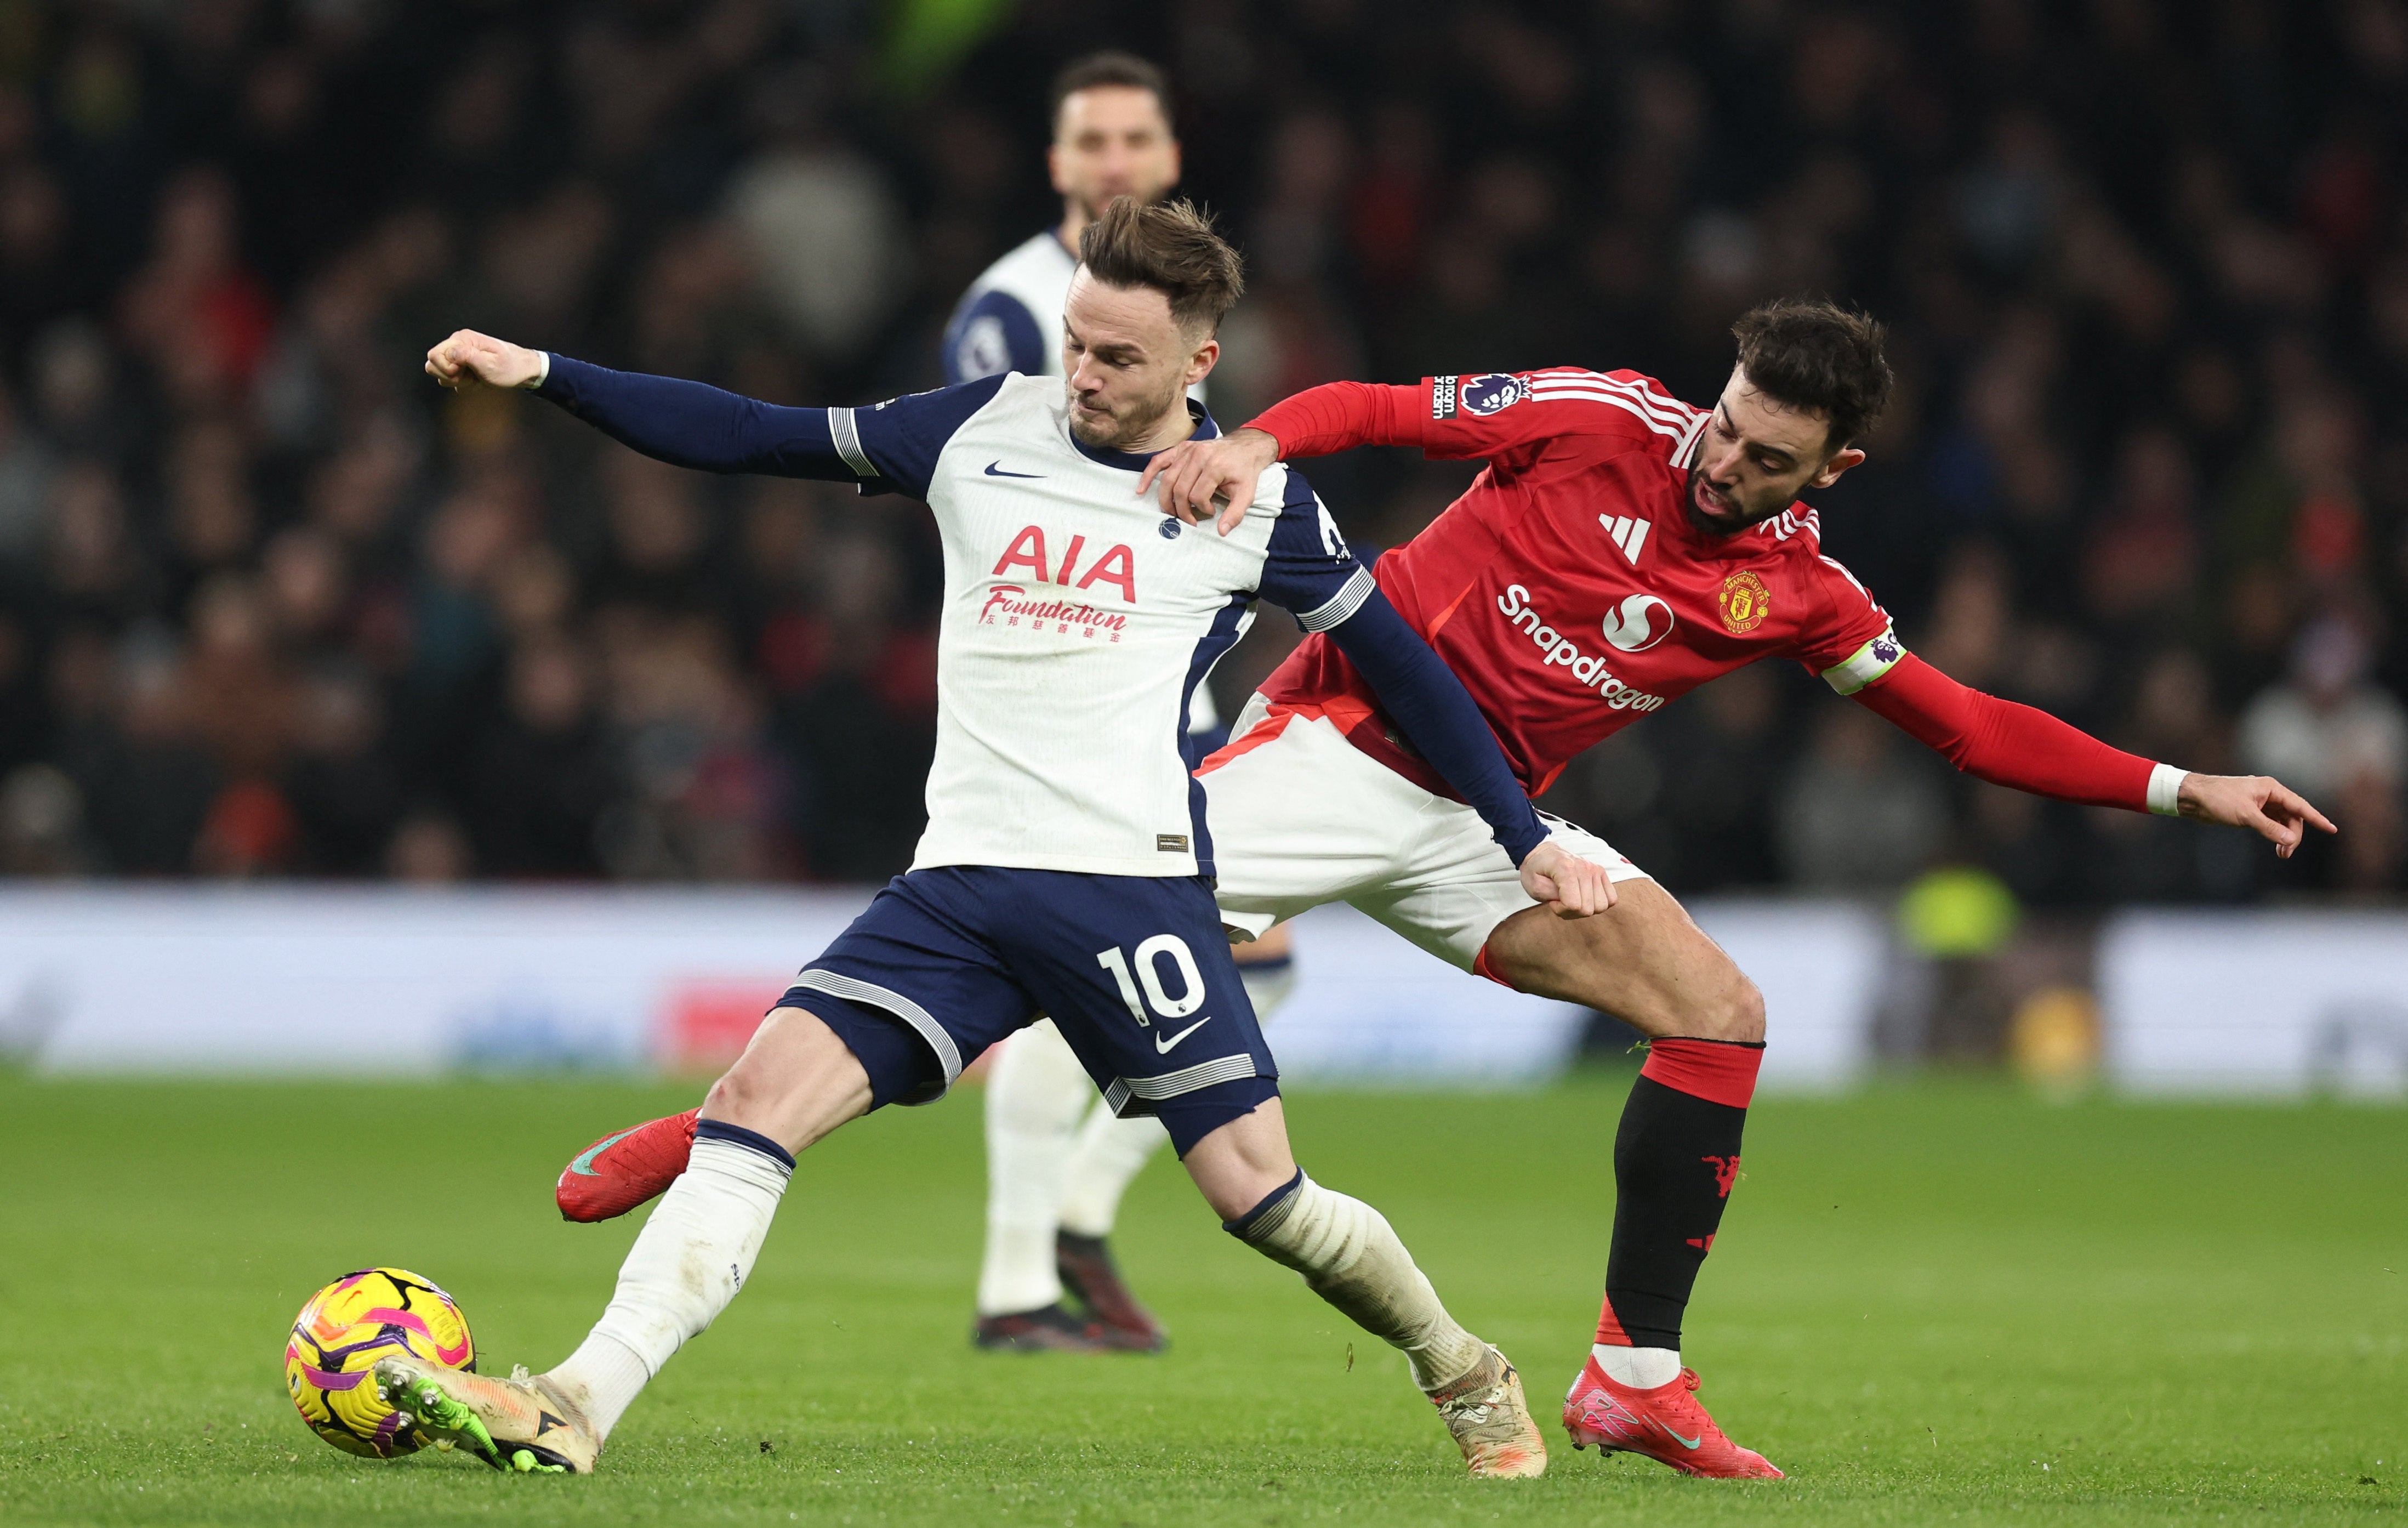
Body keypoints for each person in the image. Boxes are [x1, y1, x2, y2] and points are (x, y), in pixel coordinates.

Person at [558, 299, 2333, 1480]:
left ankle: (1633, 1377)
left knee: (1719, 1013)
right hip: (1330, 743)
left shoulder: (1798, 589)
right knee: (1040, 931)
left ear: (1829, 472)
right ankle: (713, 1125)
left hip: (1487, 826)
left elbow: (1962, 722)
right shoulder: (1594, 417)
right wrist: (1256, 447)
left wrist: (2177, 783)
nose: (1722, 462)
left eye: (1765, 458)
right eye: (1725, 426)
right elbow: (1374, 406)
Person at [374, 196, 1616, 1479]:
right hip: (956, 889)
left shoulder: (1254, 504)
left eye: (1119, 356)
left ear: (1200, 362)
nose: (1084, 372)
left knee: (1262, 1198)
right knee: (753, 1104)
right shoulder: (980, 426)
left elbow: (1407, 675)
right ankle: (576, 1400)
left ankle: (1461, 1365)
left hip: (1128, 894)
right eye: (1076, 340)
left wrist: (1517, 832)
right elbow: (749, 433)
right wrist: (546, 373)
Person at [940, 49, 1292, 1354]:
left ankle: (1059, 1235)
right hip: (1063, 679)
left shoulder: (1174, 297)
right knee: (1138, 972)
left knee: (1266, 957)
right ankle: (1025, 1264)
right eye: (1090, 141)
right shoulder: (1011, 306)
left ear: (1167, 157)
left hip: (1156, 677)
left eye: (1134, 139)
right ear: (1056, 161)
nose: (1113, 161)